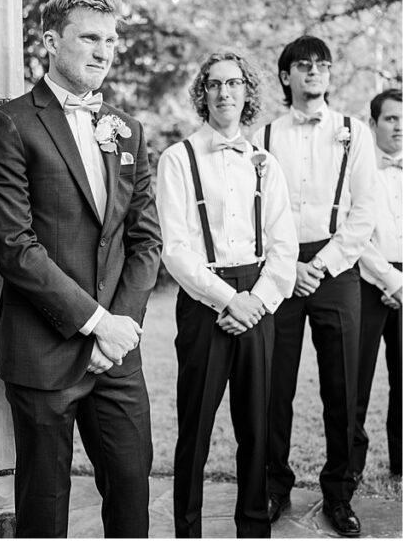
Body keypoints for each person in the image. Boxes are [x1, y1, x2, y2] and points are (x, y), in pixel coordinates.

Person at [0, 0, 162, 538]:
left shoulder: (127, 130)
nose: (104, 52)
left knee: (132, 491)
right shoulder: (8, 125)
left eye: (111, 40)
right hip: (43, 351)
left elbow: (145, 241)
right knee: (45, 506)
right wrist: (96, 323)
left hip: (117, 357)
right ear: (52, 41)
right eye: (90, 38)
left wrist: (118, 329)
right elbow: (15, 245)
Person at [157, 52, 297, 537]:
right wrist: (226, 299)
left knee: (256, 429)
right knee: (194, 429)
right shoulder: (178, 159)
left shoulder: (266, 163)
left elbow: (284, 244)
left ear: (246, 92)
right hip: (204, 303)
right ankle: (188, 532)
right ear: (203, 93)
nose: (224, 93)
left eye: (234, 83)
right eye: (214, 84)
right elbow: (174, 248)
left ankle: (253, 528)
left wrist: (256, 301)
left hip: (259, 301)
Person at [250, 35, 377, 537]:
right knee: (272, 385)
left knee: (343, 388)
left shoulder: (354, 131)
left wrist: (320, 265)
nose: (314, 73)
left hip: (337, 268)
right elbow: (257, 206)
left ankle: (339, 495)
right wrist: (289, 266)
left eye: (322, 65)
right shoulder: (263, 134)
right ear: (286, 76)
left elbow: (363, 209)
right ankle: (274, 486)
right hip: (279, 268)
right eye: (303, 66)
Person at [352, 89, 402, 483]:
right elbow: (355, 232)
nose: (399, 126)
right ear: (373, 124)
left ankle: (403, 462)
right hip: (368, 280)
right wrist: (390, 279)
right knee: (357, 382)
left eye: (404, 118)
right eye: (390, 118)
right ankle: (350, 467)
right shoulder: (361, 170)